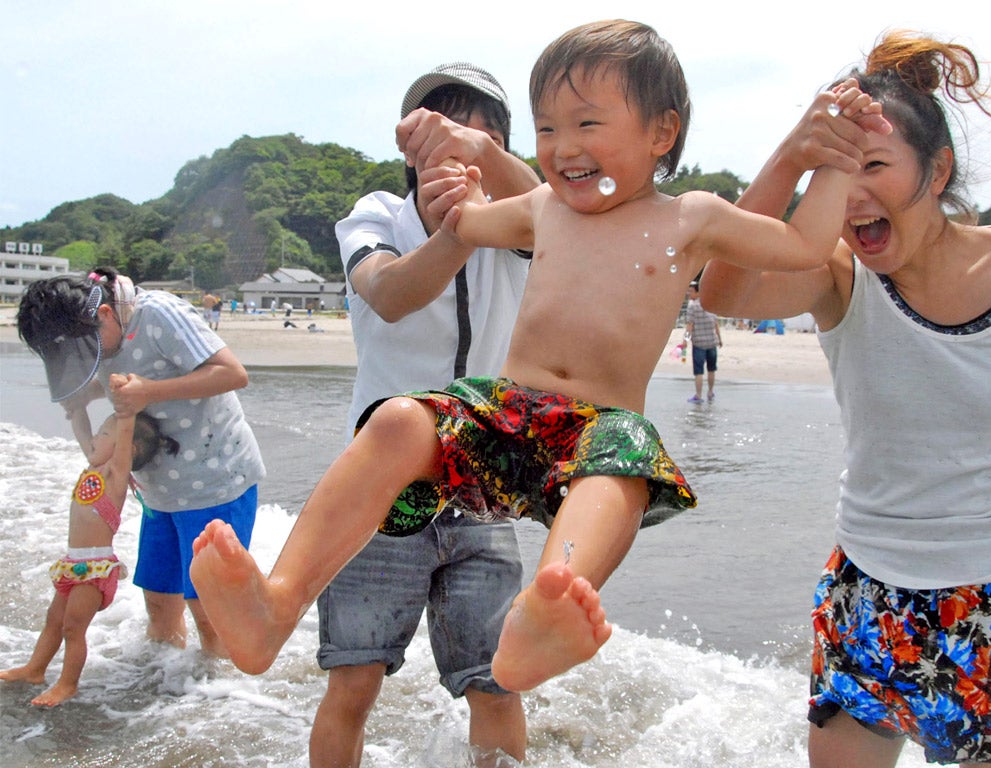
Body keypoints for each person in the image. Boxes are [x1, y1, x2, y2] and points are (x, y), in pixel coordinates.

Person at [189, 19, 886, 694]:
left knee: (622, 465)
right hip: (506, 414)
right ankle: (275, 607)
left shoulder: (691, 217)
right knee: (401, 419)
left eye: (586, 123)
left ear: (661, 132)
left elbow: (797, 247)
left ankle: (539, 617)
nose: (563, 146)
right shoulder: (546, 207)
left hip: (594, 429)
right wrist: (450, 157)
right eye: (547, 128)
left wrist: (838, 162)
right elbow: (464, 221)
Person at [699, 30, 991, 768]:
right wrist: (791, 156)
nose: (856, 195)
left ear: (937, 171)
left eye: (874, 164)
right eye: (838, 175)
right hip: (870, 589)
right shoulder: (840, 275)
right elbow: (722, 290)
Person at [307, 62, 538, 768]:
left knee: (496, 683)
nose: (459, 164)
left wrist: (482, 164)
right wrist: (454, 234)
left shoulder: (520, 225)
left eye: (480, 147)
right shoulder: (377, 215)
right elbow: (390, 292)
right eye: (442, 142)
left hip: (480, 494)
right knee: (355, 677)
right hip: (380, 493)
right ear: (411, 150)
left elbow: (563, 208)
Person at [16, 268, 266, 656]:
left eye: (87, 348)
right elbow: (118, 371)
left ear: (103, 314)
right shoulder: (96, 329)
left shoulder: (160, 314)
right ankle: (161, 687)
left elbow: (233, 373)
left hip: (215, 479)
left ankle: (219, 694)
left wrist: (150, 392)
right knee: (159, 598)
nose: (83, 359)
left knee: (208, 608)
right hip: (159, 487)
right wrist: (88, 397)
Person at [0, 380, 179, 706]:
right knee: (54, 621)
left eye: (104, 435)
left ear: (128, 448)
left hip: (94, 567)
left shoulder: (115, 474)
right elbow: (82, 432)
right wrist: (76, 409)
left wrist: (125, 414)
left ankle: (68, 684)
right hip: (72, 563)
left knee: (73, 628)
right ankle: (35, 669)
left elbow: (124, 437)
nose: (95, 439)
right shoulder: (93, 467)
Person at [684, 280, 722, 403]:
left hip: (699, 343)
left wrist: (685, 340)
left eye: (691, 291)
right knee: (711, 369)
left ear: (698, 292)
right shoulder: (712, 304)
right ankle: (710, 392)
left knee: (699, 371)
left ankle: (698, 395)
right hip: (712, 342)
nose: (689, 293)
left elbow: (690, 325)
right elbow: (716, 324)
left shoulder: (692, 306)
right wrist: (719, 339)